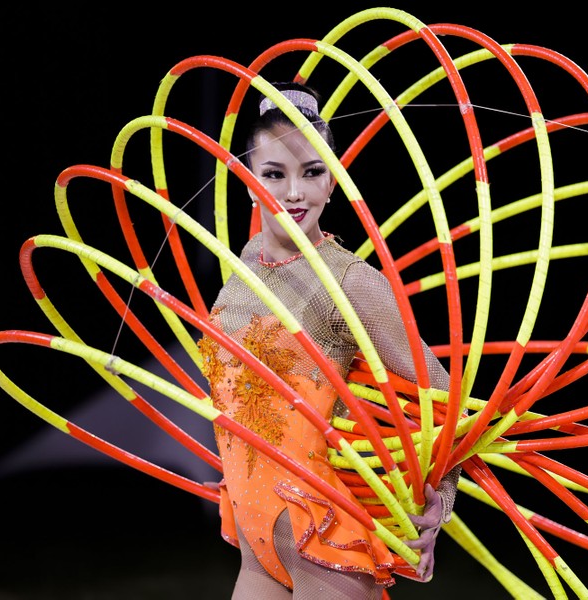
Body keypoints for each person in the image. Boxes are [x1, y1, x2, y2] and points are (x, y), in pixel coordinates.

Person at [197, 81, 460, 599]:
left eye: (312, 173)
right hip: (255, 539)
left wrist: (440, 501)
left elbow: (440, 396)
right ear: (248, 182)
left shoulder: (352, 283)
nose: (294, 194)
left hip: (325, 543)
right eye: (273, 175)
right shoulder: (244, 267)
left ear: (333, 182)